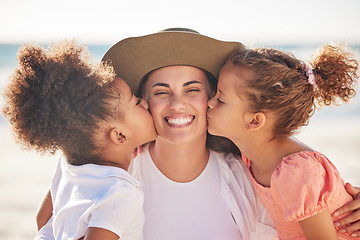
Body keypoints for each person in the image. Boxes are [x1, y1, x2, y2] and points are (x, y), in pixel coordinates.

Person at [35, 29, 360, 239]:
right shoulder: (109, 168)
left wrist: (350, 204)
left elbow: (311, 196)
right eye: (161, 91)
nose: (177, 104)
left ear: (214, 98)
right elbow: (49, 223)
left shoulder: (249, 172)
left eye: (193, 90)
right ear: (143, 101)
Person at [2, 40, 157, 239]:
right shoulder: (120, 192)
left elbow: (43, 220)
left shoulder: (67, 168)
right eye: (136, 102)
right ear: (119, 135)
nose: (144, 102)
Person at [207, 43, 359, 239]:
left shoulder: (296, 172)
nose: (209, 102)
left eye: (220, 99)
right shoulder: (252, 155)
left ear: (255, 121)